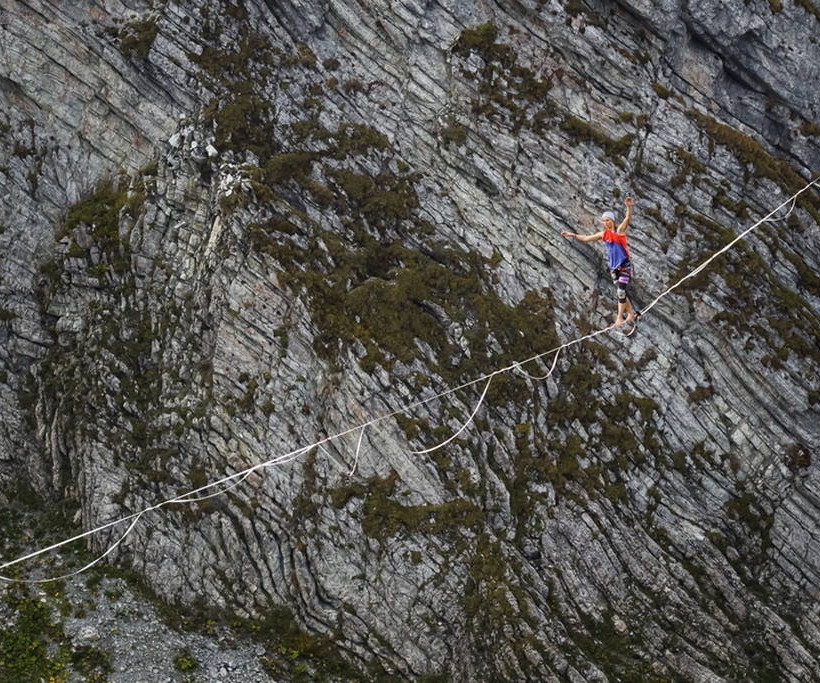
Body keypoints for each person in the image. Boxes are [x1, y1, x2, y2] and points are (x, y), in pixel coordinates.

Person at [561, 196, 638, 329]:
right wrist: (572, 235)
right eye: (604, 221)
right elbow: (586, 238)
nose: (605, 223)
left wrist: (629, 207)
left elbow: (628, 218)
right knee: (621, 291)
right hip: (613, 268)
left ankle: (619, 317)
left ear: (612, 220)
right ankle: (630, 313)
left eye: (607, 220)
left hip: (624, 265)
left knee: (621, 291)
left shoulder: (619, 231)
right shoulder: (603, 235)